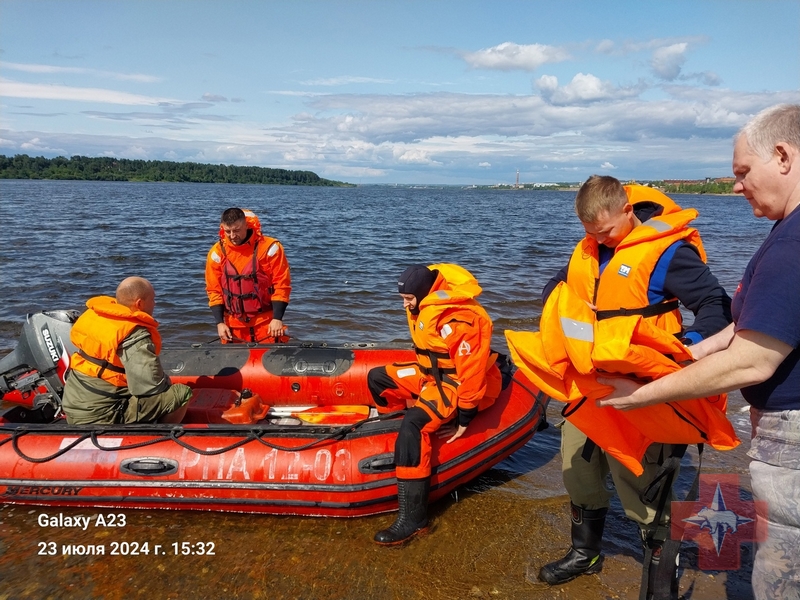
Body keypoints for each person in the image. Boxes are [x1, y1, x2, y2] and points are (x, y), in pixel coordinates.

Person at [597, 104, 800, 600]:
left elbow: (751, 350)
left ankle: (665, 582)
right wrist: (690, 356)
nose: (735, 186)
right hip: (683, 383)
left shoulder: (792, 244)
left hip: (785, 437)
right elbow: (749, 327)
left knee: (780, 574)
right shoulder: (783, 234)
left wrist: (643, 394)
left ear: (782, 156)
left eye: (742, 173)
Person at [506, 176, 736, 599]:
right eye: (589, 232)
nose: (597, 239)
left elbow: (716, 307)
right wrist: (562, 303)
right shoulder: (590, 248)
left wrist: (684, 349)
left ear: (628, 210)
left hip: (643, 388)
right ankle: (585, 553)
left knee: (642, 483)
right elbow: (557, 287)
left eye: (606, 231)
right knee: (577, 468)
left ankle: (661, 575)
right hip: (589, 387)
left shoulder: (669, 252)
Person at [367, 263, 502, 545]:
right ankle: (388, 438)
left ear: (424, 292)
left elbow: (472, 372)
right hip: (431, 375)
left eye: (408, 299)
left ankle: (414, 520)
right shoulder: (423, 306)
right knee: (378, 378)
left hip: (455, 385)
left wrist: (465, 417)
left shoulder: (458, 320)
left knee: (414, 426)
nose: (405, 304)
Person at [61, 277, 191, 425]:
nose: (155, 304)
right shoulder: (135, 334)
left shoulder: (96, 316)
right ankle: (162, 436)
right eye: (153, 299)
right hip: (102, 416)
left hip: (73, 404)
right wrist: (166, 383)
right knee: (181, 394)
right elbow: (150, 388)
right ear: (139, 304)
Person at [205, 208, 291, 343]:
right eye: (228, 231)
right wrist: (219, 323)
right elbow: (213, 290)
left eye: (237, 230)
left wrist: (277, 318)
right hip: (232, 325)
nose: (232, 236)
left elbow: (282, 285)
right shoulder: (217, 253)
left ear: (246, 225)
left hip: (266, 323)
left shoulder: (270, 248)